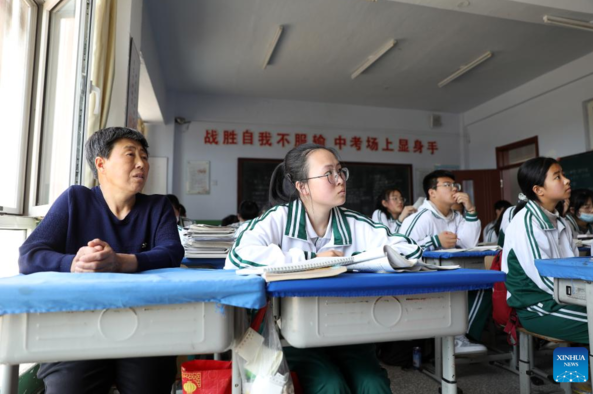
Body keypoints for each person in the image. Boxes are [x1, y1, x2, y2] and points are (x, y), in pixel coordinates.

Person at [225, 143, 422, 394]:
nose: (340, 180)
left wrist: (354, 260)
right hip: (291, 336)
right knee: (330, 386)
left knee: (373, 385)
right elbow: (239, 256)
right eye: (329, 173)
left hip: (348, 331)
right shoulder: (278, 219)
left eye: (340, 171)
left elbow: (410, 251)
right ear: (302, 186)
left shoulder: (354, 222)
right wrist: (313, 259)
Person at [19, 127, 184, 394]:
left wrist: (121, 262)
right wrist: (74, 263)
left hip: (143, 326)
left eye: (144, 156)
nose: (142, 163)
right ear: (101, 163)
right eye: (130, 154)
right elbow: (30, 254)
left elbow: (172, 252)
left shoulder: (157, 206)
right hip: (75, 327)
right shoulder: (75, 199)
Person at [399, 170, 487, 355]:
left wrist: (470, 210)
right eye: (447, 185)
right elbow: (399, 249)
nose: (454, 189)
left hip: (449, 274)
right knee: (479, 287)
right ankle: (457, 336)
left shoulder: (455, 217)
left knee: (485, 285)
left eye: (455, 185)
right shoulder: (421, 217)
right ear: (432, 192)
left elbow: (469, 243)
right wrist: (434, 241)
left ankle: (459, 336)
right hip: (423, 278)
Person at [501, 157, 587, 343]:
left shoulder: (561, 222)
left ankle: (574, 372)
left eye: (563, 174)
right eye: (557, 177)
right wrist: (588, 297)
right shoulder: (527, 224)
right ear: (538, 190)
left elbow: (575, 268)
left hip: (562, 299)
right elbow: (545, 281)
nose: (566, 180)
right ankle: (574, 372)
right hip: (538, 308)